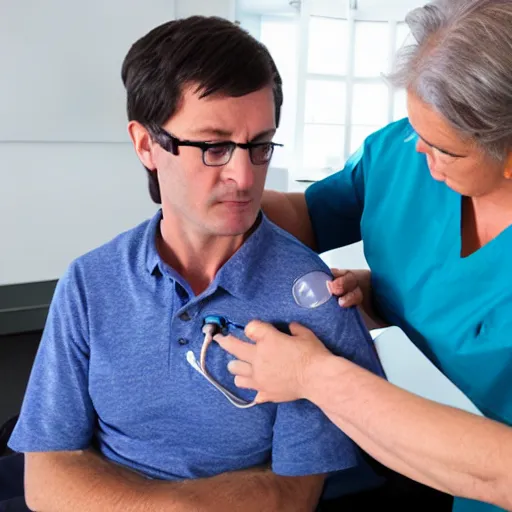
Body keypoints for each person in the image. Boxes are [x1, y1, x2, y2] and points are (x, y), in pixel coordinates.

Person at [4, 16, 386, 512]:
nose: (245, 176)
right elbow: (47, 478)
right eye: (214, 146)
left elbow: (293, 495)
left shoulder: (314, 301)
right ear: (146, 145)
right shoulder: (89, 282)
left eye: (259, 145)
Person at [218, 1, 512, 512]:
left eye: (444, 148)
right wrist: (219, 195)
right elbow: (308, 215)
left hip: (472, 478)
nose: (419, 152)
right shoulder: (402, 151)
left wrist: (311, 376)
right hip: (374, 433)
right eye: (414, 126)